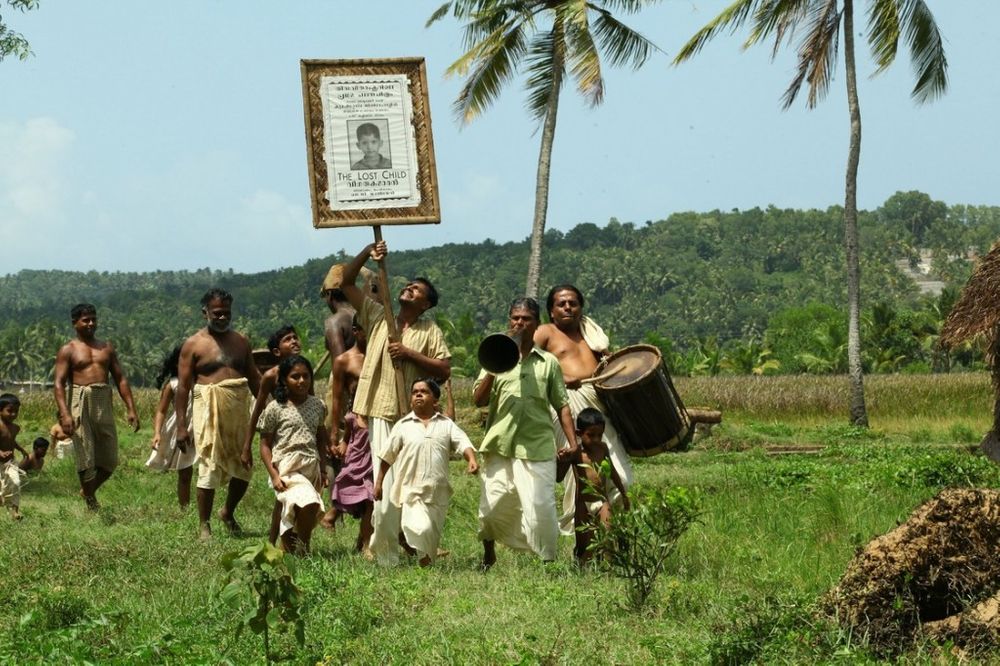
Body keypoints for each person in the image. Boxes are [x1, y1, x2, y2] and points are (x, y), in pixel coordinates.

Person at [340, 240, 451, 564]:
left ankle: (418, 543)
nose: (409, 289)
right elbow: (346, 282)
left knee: (415, 483)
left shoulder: (430, 330)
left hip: (412, 416)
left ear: (425, 304)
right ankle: (386, 552)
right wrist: (367, 252)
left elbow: (444, 369)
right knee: (386, 484)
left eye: (417, 290)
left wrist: (409, 353)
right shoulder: (378, 315)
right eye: (408, 286)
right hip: (381, 410)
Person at [474, 298, 579, 569]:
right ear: (509, 320)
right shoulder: (494, 354)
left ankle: (548, 562)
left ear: (537, 324)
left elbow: (562, 405)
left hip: (537, 445)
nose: (519, 323)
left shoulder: (548, 362)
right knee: (492, 507)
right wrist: (494, 367)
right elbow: (478, 400)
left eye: (526, 319)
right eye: (515, 318)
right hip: (500, 443)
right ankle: (489, 553)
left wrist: (573, 442)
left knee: (541, 506)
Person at [534, 284, 634, 532]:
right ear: (551, 311)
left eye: (573, 303)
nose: (568, 307)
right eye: (561, 304)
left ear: (580, 308)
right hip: (565, 404)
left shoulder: (592, 336)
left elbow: (608, 365)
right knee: (581, 469)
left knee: (618, 472)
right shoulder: (545, 332)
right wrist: (560, 377)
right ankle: (583, 532)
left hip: (596, 404)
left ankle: (611, 527)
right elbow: (526, 360)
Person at [175, 288, 261, 540]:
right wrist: (181, 426)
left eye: (226, 313)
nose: (222, 317)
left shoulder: (241, 341)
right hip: (208, 408)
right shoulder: (193, 345)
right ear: (205, 313)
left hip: (239, 409)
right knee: (209, 467)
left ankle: (228, 512)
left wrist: (269, 407)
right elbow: (183, 387)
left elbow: (254, 378)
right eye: (217, 313)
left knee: (244, 466)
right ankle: (205, 525)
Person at [373, 378, 478, 567]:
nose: (418, 395)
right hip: (411, 490)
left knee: (431, 533)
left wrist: (471, 459)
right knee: (421, 527)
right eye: (415, 392)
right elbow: (387, 456)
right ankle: (418, 551)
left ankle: (426, 562)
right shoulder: (403, 425)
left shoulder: (446, 424)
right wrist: (379, 483)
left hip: (438, 491)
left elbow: (462, 442)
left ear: (435, 400)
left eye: (424, 391)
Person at [53, 303, 141, 511]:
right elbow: (58, 383)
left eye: (94, 319)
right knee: (85, 456)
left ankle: (87, 491)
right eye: (86, 320)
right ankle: (91, 501)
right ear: (75, 323)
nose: (91, 323)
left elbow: (120, 379)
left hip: (103, 400)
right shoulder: (68, 350)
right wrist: (65, 414)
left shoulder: (106, 348)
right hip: (80, 400)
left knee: (110, 459)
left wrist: (131, 408)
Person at [258, 355, 329, 555]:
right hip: (286, 467)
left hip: (311, 466)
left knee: (296, 508)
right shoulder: (275, 408)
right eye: (295, 376)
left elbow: (320, 439)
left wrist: (323, 469)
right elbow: (264, 445)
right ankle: (301, 548)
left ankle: (291, 550)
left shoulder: (318, 405)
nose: (301, 381)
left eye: (306, 376)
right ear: (284, 380)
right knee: (309, 502)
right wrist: (274, 475)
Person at [241, 324, 305, 545]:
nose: (294, 341)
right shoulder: (271, 376)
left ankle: (294, 539)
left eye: (295, 337)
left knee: (302, 491)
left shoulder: (304, 372)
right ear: (277, 351)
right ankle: (273, 542)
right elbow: (257, 410)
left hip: (302, 441)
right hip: (279, 441)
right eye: (288, 339)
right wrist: (247, 446)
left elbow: (312, 404)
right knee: (284, 491)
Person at [320, 318, 375, 556]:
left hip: (379, 423)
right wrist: (335, 434)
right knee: (355, 477)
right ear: (356, 330)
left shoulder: (379, 356)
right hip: (356, 425)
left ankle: (364, 539)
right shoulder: (344, 361)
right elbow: (336, 398)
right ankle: (358, 535)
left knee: (372, 485)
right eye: (367, 329)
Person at [557, 408, 630, 564]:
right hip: (583, 505)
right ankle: (582, 566)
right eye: (591, 435)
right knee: (585, 547)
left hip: (602, 501)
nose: (596, 439)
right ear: (579, 433)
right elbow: (558, 477)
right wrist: (562, 461)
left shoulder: (603, 449)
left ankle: (608, 568)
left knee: (607, 538)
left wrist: (624, 494)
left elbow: (612, 472)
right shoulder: (576, 453)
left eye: (599, 435)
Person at [146, 346, 197, 508]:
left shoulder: (203, 382)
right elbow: (161, 411)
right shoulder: (173, 385)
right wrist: (157, 433)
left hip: (202, 426)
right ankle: (185, 509)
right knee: (185, 471)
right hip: (181, 428)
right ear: (177, 364)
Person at [0, 394, 28, 519]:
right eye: (9, 411)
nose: (13, 414)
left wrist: (21, 449)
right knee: (3, 488)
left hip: (10, 462)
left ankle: (15, 511)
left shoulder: (15, 428)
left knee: (16, 483)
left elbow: (11, 440)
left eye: (16, 411)